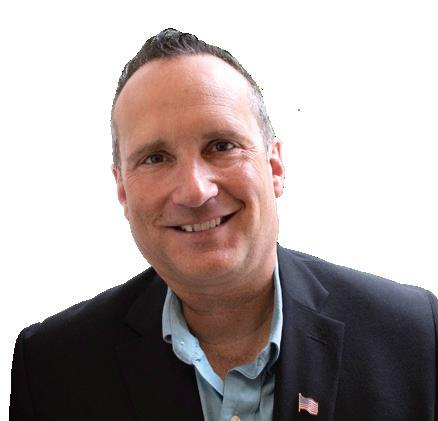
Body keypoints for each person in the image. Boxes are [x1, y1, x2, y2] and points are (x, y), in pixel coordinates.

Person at [10, 28, 437, 421]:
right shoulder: (51, 369)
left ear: (274, 167)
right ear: (122, 189)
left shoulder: (415, 337)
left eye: (221, 146)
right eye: (155, 158)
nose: (195, 191)